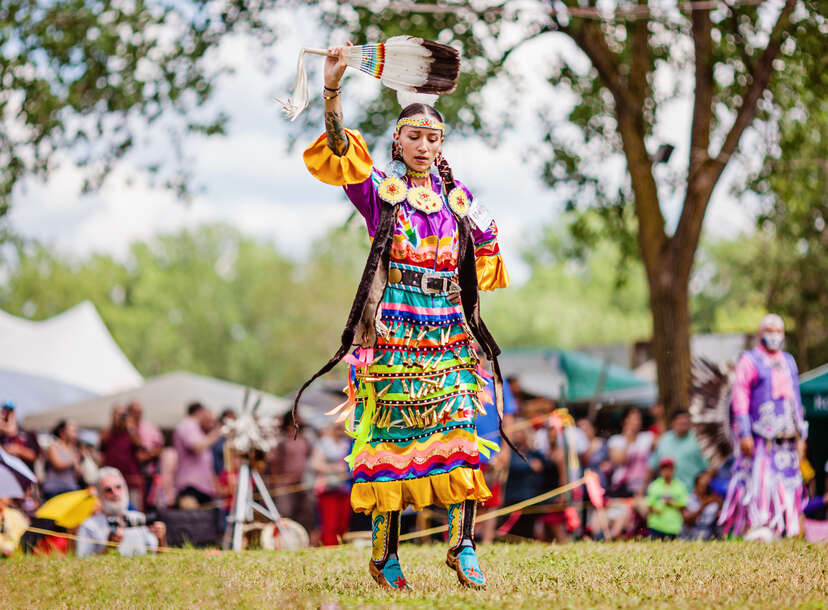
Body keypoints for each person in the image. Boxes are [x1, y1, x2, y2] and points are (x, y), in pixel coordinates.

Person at [295, 42, 510, 590]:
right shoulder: (382, 194)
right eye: (413, 136)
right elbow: (340, 149)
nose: (422, 144)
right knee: (393, 444)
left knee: (461, 434)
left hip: (450, 332)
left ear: (442, 145)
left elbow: (488, 251)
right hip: (395, 333)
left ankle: (461, 545)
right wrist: (333, 87)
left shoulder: (460, 200)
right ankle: (385, 555)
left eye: (432, 137)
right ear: (397, 139)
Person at [719, 314, 809, 539]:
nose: (774, 335)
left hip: (787, 439)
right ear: (760, 334)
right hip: (760, 438)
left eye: (779, 331)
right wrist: (744, 432)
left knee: (787, 485)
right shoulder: (749, 360)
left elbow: (795, 398)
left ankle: (785, 529)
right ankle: (758, 528)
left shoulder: (788, 361)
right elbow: (740, 397)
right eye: (769, 330)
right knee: (760, 485)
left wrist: (801, 435)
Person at [76, 467, 166, 558]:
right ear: (100, 495)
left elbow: (158, 558)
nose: (115, 493)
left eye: (118, 487)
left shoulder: (138, 518)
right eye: (108, 490)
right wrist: (109, 548)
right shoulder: (89, 526)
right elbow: (83, 564)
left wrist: (161, 539)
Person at [265, 417, 314, 537]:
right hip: (284, 484)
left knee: (305, 514)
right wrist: (277, 480)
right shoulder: (281, 442)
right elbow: (272, 463)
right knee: (285, 513)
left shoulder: (304, 441)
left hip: (300, 483)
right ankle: (281, 540)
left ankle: (302, 540)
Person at [310, 424, 352, 546]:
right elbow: (316, 464)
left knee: (343, 522)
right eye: (337, 428)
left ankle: (338, 545)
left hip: (344, 488)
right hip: (327, 489)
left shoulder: (346, 443)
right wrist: (334, 468)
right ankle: (329, 547)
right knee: (330, 523)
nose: (340, 431)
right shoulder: (323, 444)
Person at [173, 403, 221, 507]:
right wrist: (217, 433)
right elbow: (196, 447)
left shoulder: (197, 429)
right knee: (192, 520)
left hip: (200, 487)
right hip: (191, 486)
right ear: (200, 412)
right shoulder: (188, 424)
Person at [649, 409, 708, 492]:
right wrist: (642, 489)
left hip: (691, 493)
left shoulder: (699, 439)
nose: (683, 421)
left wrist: (703, 484)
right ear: (672, 423)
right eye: (679, 419)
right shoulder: (664, 440)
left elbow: (710, 467)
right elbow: (651, 466)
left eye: (686, 418)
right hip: (666, 495)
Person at [101, 405, 143, 509]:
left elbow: (139, 445)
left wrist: (129, 426)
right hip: (112, 481)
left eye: (123, 415)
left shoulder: (131, 432)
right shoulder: (108, 433)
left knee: (134, 511)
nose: (120, 417)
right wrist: (114, 424)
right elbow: (102, 443)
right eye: (117, 414)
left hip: (130, 479)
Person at [645, 457, 688, 540]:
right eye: (664, 468)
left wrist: (671, 502)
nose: (666, 471)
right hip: (656, 525)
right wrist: (657, 509)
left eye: (669, 468)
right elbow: (649, 506)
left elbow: (683, 506)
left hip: (673, 527)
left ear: (673, 470)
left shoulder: (680, 486)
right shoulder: (654, 485)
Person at [42, 420, 82, 500]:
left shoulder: (74, 449)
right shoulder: (53, 446)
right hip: (54, 490)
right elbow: (58, 465)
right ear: (62, 431)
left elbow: (77, 474)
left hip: (71, 488)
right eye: (72, 430)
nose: (75, 433)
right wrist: (73, 461)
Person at [682, 470, 721, 540]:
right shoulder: (689, 499)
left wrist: (720, 504)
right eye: (701, 485)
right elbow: (687, 520)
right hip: (690, 539)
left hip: (708, 540)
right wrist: (703, 506)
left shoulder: (714, 500)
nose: (704, 485)